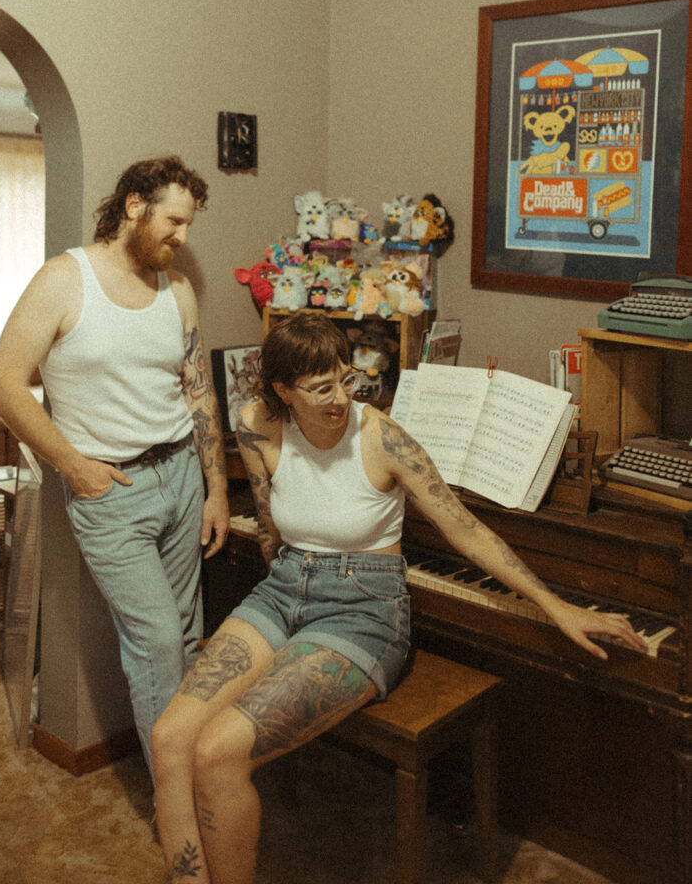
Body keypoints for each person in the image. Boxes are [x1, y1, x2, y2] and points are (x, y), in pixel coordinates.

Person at [150, 310, 647, 884]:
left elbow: (465, 528)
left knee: (218, 752)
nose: (340, 398)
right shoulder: (257, 422)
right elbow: (269, 525)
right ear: (284, 391)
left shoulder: (382, 437)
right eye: (319, 389)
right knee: (170, 739)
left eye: (345, 379)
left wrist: (558, 608)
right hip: (285, 586)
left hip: (363, 609)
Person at [0, 155, 230, 778]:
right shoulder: (64, 280)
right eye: (174, 221)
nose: (183, 237)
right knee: (156, 643)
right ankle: (173, 798)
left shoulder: (178, 291)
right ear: (133, 207)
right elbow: (2, 382)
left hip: (181, 474)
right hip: (111, 491)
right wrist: (72, 465)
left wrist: (217, 488)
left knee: (186, 633)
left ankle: (189, 778)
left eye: (189, 225)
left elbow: (198, 391)